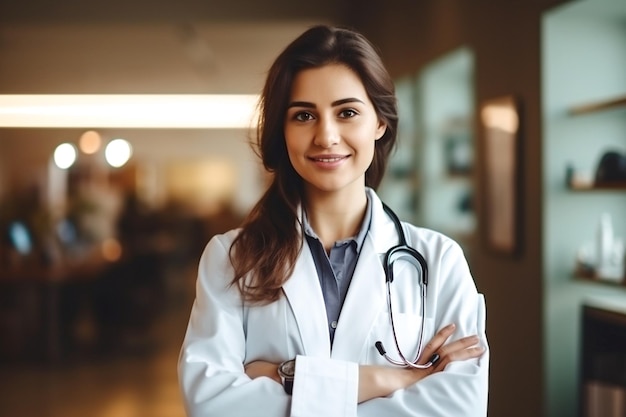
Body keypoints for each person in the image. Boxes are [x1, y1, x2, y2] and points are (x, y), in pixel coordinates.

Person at [178, 24, 489, 417]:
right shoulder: (232, 257)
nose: (326, 136)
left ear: (380, 123)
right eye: (304, 115)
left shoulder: (439, 260)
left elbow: (458, 408)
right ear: (283, 131)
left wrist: (283, 375)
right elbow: (210, 404)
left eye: (347, 112)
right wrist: (387, 379)